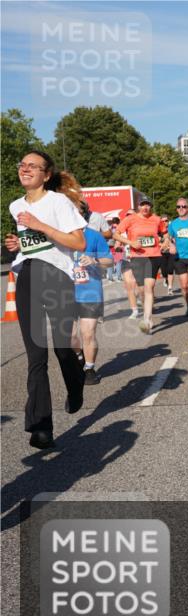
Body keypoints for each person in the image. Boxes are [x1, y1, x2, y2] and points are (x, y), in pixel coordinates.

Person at [3, 151, 87, 449]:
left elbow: (78, 242)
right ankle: (41, 426)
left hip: (56, 278)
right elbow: (33, 246)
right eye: (22, 165)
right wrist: (18, 245)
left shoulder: (58, 202)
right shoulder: (16, 206)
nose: (24, 169)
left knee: (62, 349)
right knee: (36, 355)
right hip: (27, 276)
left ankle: (76, 381)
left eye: (32, 166)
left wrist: (41, 226)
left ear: (46, 174)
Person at [114, 198, 165, 334]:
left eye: (148, 205)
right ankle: (146, 312)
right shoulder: (130, 219)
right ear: (138, 207)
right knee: (142, 290)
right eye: (143, 205)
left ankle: (147, 319)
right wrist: (131, 243)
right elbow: (116, 235)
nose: (145, 207)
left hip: (153, 256)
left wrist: (166, 242)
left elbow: (165, 232)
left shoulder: (156, 219)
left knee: (149, 287)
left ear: (151, 207)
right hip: (137, 257)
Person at [71, 224, 113, 385]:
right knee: (69, 336)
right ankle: (80, 355)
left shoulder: (94, 235)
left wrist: (94, 260)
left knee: (87, 333)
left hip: (90, 292)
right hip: (64, 293)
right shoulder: (57, 233)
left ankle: (89, 368)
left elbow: (110, 261)